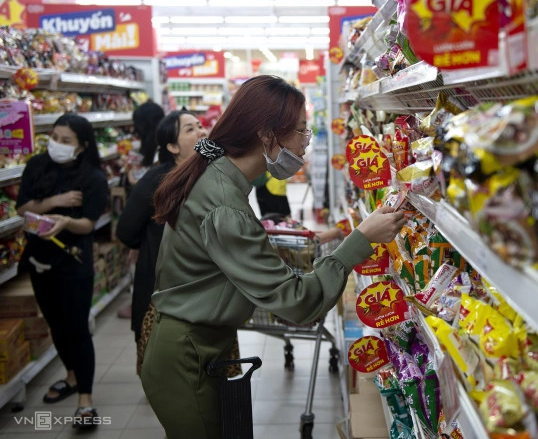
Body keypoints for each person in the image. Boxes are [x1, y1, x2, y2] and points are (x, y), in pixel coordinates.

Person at [142, 75, 406, 438]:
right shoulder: (224, 205)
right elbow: (297, 304)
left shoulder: (218, 175)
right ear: (267, 135)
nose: (304, 142)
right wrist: (360, 240)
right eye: (300, 130)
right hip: (188, 356)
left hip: (198, 344)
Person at [16, 113, 109, 428]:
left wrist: (66, 220)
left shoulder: (93, 179)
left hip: (73, 261)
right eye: (54, 137)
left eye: (65, 140)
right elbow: (21, 208)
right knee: (55, 324)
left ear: (82, 146)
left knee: (77, 328)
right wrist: (57, 201)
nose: (57, 144)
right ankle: (70, 376)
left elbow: (88, 224)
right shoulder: (35, 166)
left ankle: (85, 399)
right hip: (39, 259)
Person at [115, 110, 207, 371]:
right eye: (190, 129)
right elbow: (126, 229)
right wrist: (149, 242)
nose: (201, 131)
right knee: (164, 361)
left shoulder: (210, 171)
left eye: (200, 125)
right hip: (163, 284)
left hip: (204, 283)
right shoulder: (157, 181)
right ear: (172, 146)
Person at [117, 100, 165, 320]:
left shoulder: (158, 148)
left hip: (151, 216)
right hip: (147, 216)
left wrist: (130, 177)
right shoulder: (151, 145)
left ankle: (146, 309)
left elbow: (152, 187)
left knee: (149, 265)